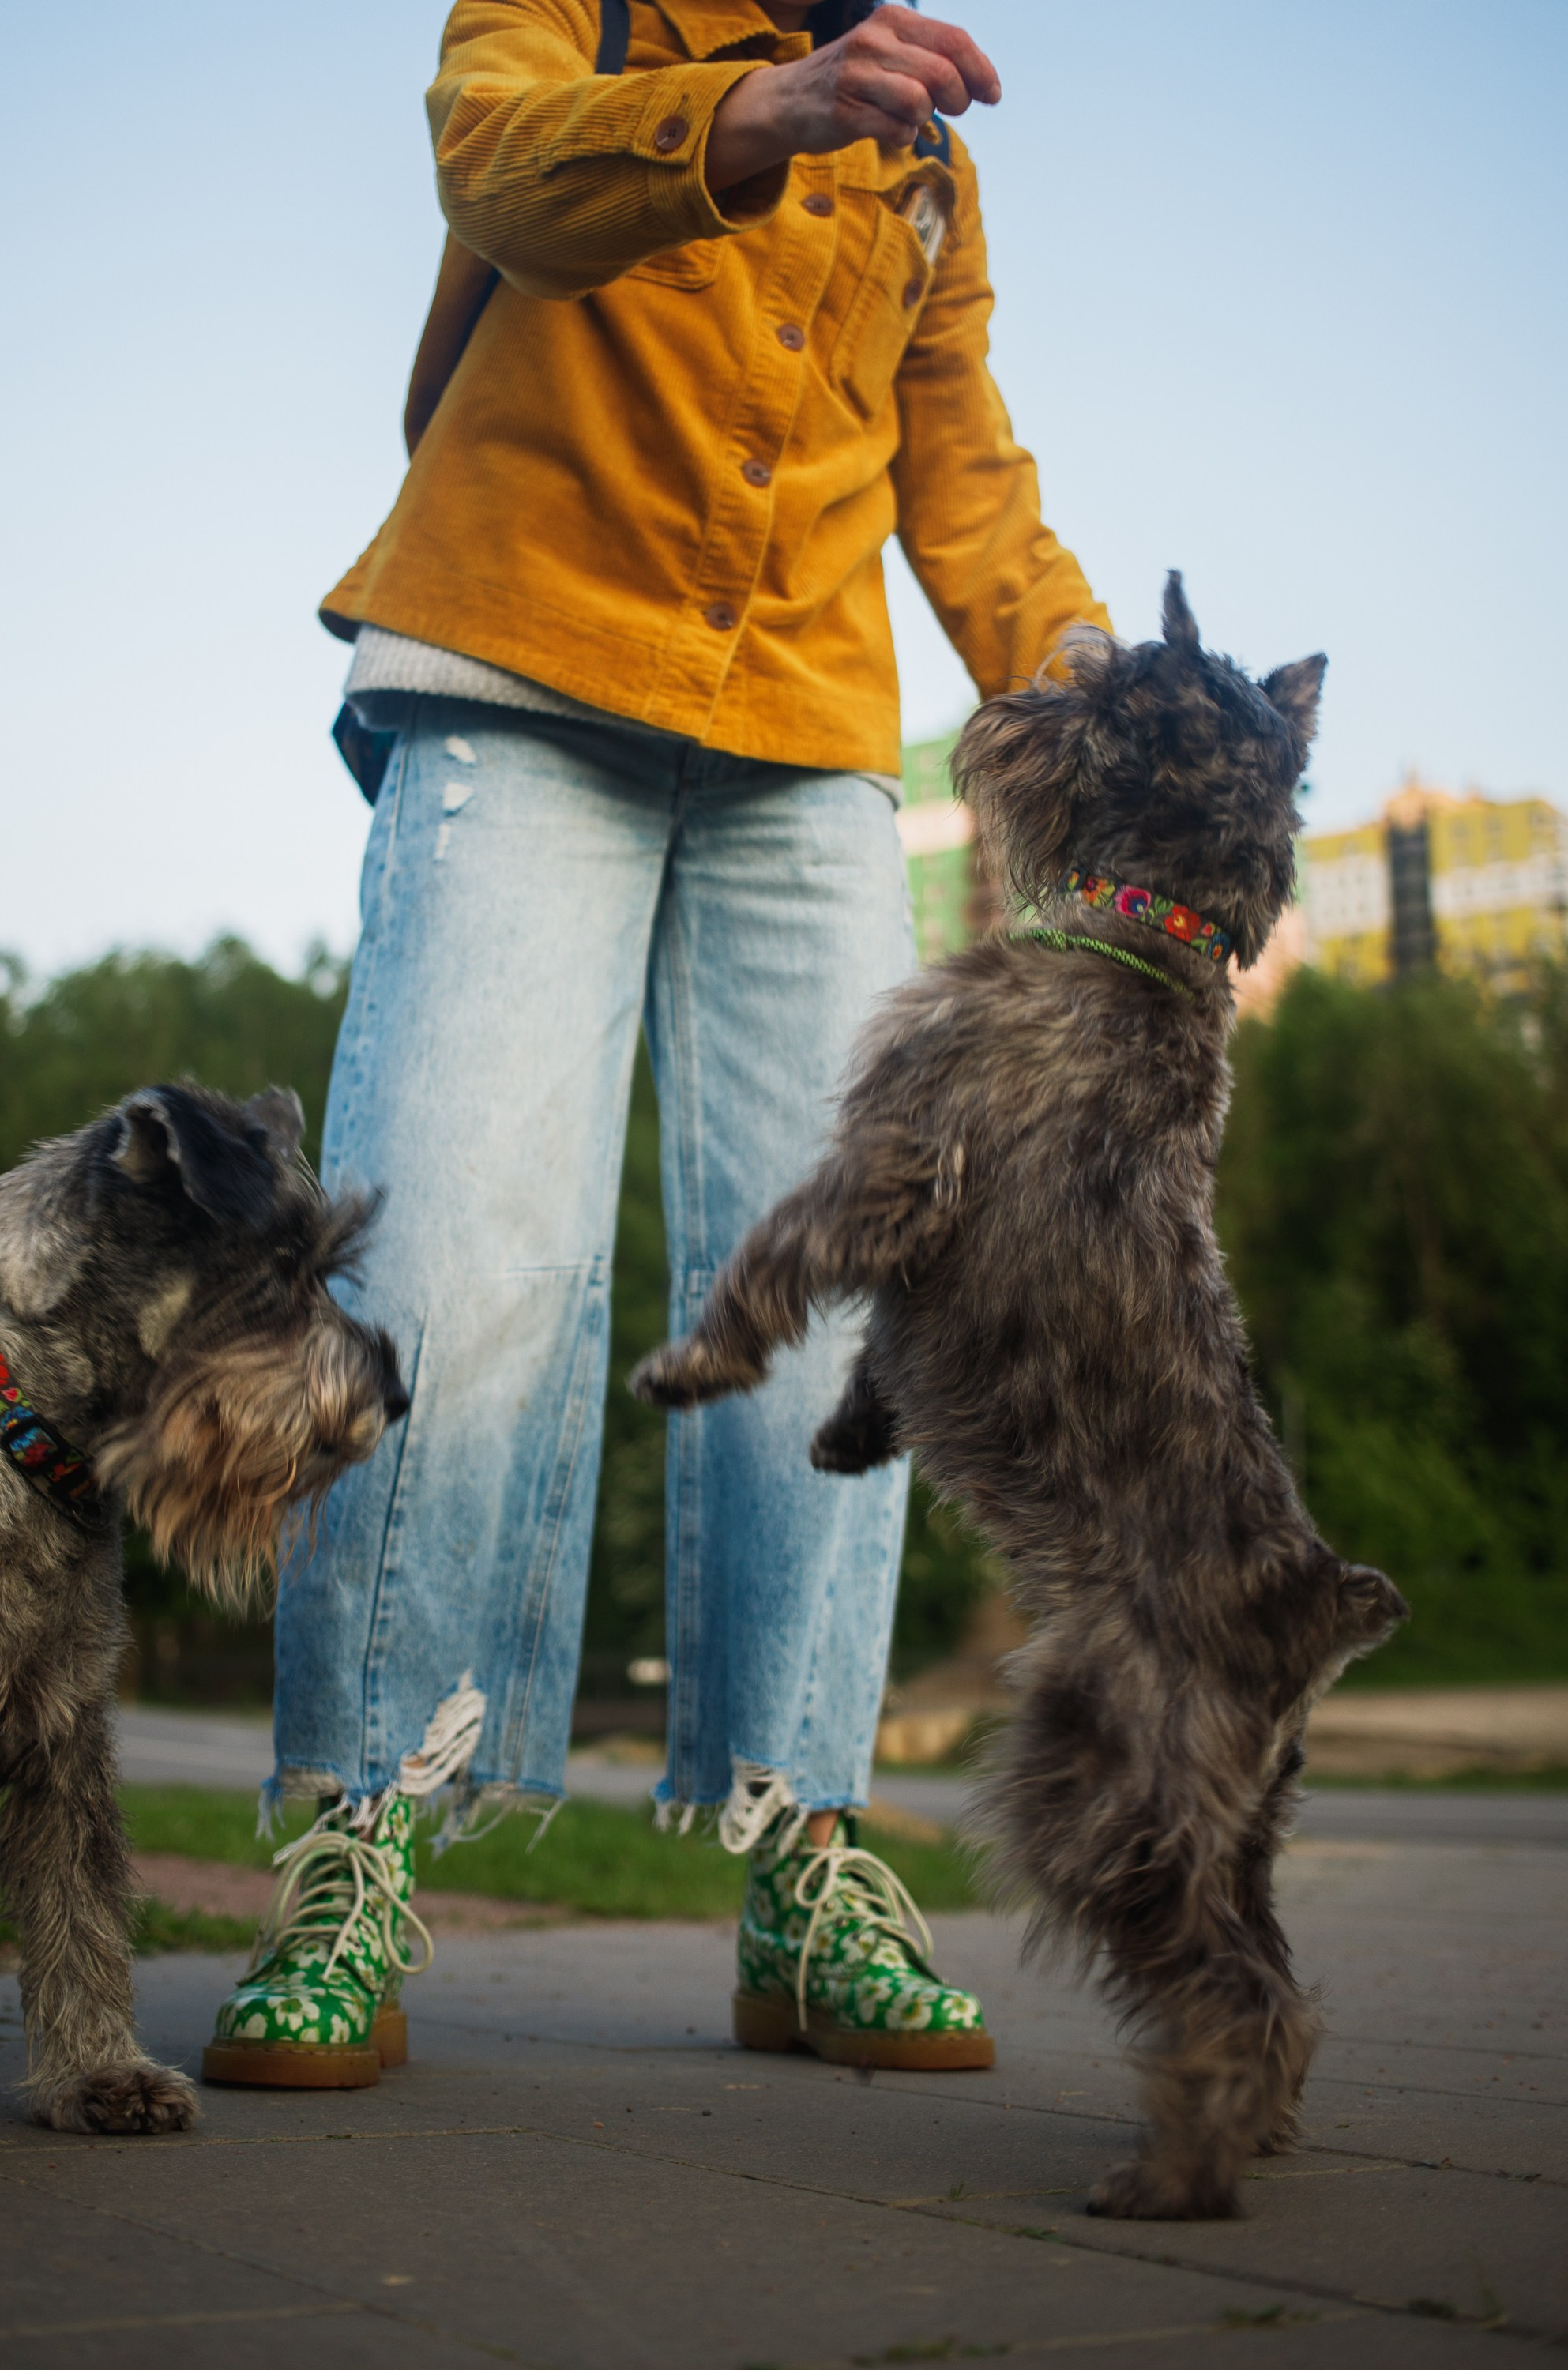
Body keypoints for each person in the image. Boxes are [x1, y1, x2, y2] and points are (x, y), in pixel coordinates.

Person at [204, 0, 1107, 2090]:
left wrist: (1123, 709)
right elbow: (497, 164)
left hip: (796, 743)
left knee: (819, 1297)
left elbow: (961, 477)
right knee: (456, 1267)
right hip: (520, 667)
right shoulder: (583, 16)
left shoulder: (924, 165)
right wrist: (756, 109)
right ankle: (368, 1835)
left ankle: (802, 1852)